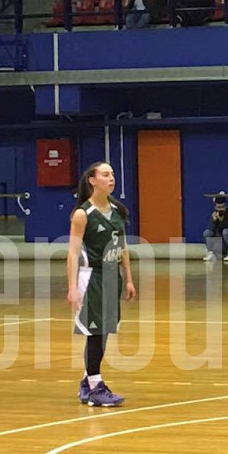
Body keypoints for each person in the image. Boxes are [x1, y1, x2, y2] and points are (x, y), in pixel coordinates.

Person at [66, 162, 135, 408]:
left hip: (112, 276)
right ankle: (96, 386)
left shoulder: (117, 210)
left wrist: (129, 279)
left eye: (113, 174)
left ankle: (88, 382)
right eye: (106, 174)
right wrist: (72, 288)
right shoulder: (82, 214)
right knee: (95, 332)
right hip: (92, 276)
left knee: (104, 331)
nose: (111, 178)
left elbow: (122, 247)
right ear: (92, 180)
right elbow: (72, 253)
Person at [203, 193, 228, 262]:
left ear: (226, 206)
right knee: (207, 232)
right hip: (220, 242)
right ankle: (211, 253)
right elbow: (211, 230)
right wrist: (214, 221)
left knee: (225, 231)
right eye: (218, 207)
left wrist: (222, 220)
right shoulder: (215, 214)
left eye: (222, 207)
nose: (220, 209)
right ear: (215, 207)